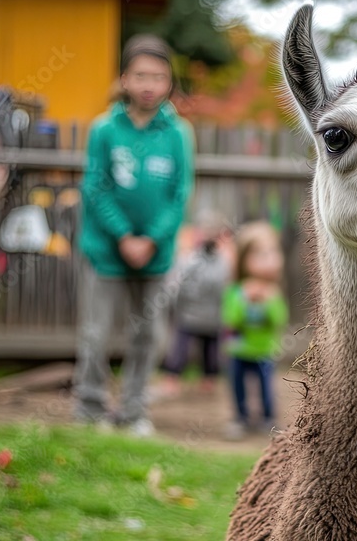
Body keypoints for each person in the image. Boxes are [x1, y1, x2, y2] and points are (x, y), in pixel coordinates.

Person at [73, 34, 194, 437]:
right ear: (124, 79)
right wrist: (124, 236)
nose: (149, 84)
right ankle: (89, 408)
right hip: (106, 252)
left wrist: (150, 240)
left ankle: (133, 411)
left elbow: (179, 195)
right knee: (95, 334)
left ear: (168, 83)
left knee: (149, 336)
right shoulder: (105, 129)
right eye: (141, 75)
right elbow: (95, 187)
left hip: (155, 257)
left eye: (158, 77)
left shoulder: (178, 133)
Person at [221, 222, 289, 440]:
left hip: (264, 350)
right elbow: (230, 321)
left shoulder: (273, 292)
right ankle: (241, 418)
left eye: (271, 252)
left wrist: (268, 303)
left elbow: (279, 320)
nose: (268, 258)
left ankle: (268, 418)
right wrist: (244, 302)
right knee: (238, 386)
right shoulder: (236, 291)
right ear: (243, 260)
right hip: (238, 350)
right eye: (260, 254)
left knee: (266, 387)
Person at [159, 211, 231, 398]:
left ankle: (208, 381)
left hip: (211, 317)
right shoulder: (189, 259)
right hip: (190, 314)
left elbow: (225, 289)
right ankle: (172, 380)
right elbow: (177, 285)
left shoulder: (224, 262)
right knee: (181, 349)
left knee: (210, 351)